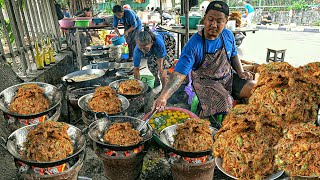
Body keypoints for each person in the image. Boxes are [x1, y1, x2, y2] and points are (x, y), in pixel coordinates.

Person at [153, 1, 256, 123]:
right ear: (204, 19)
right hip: (205, 83)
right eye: (210, 19)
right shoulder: (194, 44)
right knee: (226, 101)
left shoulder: (228, 35)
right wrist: (163, 97)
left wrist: (241, 72)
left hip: (228, 78)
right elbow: (179, 74)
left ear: (226, 21)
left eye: (219, 21)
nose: (213, 24)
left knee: (255, 89)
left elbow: (233, 55)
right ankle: (216, 128)